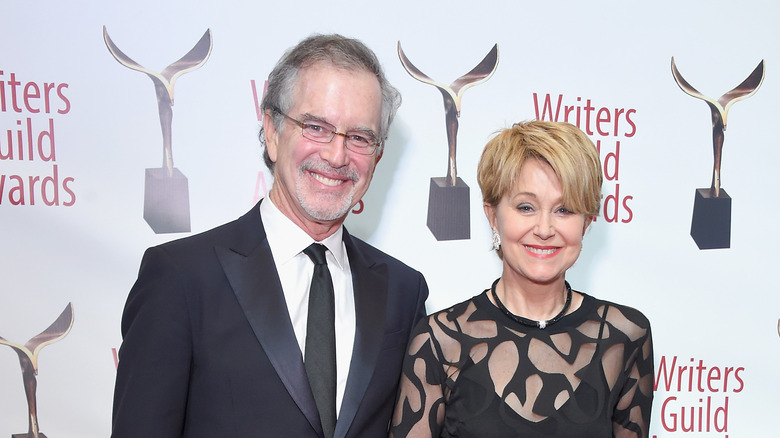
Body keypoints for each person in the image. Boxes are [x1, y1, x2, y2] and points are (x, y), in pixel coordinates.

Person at [112, 34, 429, 438]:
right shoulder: (180, 278)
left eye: (359, 137)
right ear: (273, 132)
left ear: (378, 155)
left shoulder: (403, 291)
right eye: (316, 127)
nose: (336, 155)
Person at [390, 121, 653, 438]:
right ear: (493, 216)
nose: (544, 229)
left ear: (587, 222)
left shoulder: (625, 335)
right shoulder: (440, 340)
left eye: (565, 209)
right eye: (526, 207)